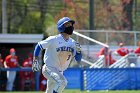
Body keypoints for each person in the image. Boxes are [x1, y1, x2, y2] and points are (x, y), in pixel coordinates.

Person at [32, 17, 82, 93]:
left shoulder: (73, 43)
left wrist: (79, 52)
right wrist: (35, 59)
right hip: (49, 68)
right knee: (62, 82)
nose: (70, 26)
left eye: (71, 24)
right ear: (61, 27)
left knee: (50, 90)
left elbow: (78, 59)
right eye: (67, 24)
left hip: (60, 71)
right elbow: (39, 46)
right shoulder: (53, 39)